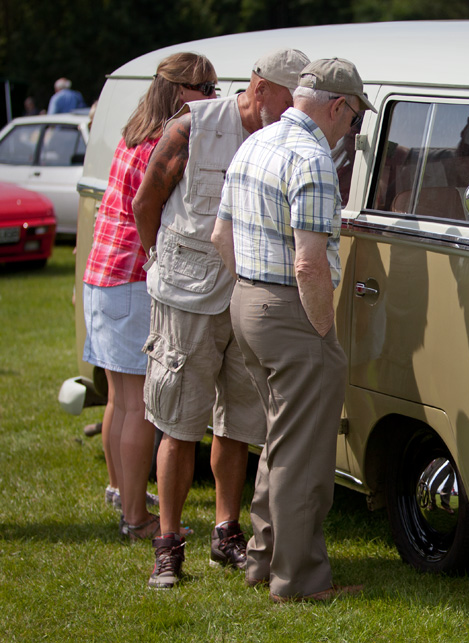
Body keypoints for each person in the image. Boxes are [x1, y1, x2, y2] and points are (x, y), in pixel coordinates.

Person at [132, 48, 310, 590]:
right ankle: (167, 545)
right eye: (283, 103)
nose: (289, 116)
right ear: (258, 88)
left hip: (247, 296)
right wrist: (158, 261)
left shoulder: (283, 138)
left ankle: (225, 533)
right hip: (187, 297)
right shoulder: (193, 126)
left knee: (237, 423)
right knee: (179, 424)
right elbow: (146, 202)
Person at [212, 58, 374, 603]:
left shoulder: (254, 142)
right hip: (292, 312)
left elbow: (219, 236)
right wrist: (324, 336)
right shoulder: (312, 158)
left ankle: (264, 559)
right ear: (338, 106)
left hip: (247, 302)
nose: (349, 131)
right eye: (353, 120)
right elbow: (309, 264)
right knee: (304, 455)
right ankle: (299, 581)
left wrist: (252, 288)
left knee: (279, 441)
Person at [84, 53, 218, 541]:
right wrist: (156, 255)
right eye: (205, 88)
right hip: (132, 277)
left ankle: (123, 492)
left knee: (119, 400)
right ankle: (137, 518)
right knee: (143, 405)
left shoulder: (131, 131)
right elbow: (154, 207)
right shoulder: (163, 141)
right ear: (181, 91)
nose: (211, 98)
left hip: (103, 275)